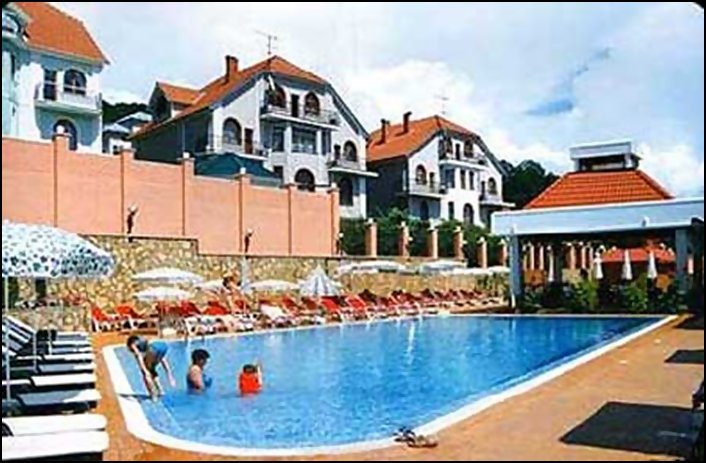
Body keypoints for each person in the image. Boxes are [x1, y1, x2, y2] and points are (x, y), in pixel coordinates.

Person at [126, 335, 176, 400]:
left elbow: (139, 356)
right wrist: (170, 376)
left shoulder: (135, 346)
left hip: (154, 349)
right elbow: (163, 360)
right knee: (151, 369)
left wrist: (144, 371)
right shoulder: (143, 342)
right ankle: (161, 390)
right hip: (163, 346)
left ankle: (153, 395)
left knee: (146, 372)